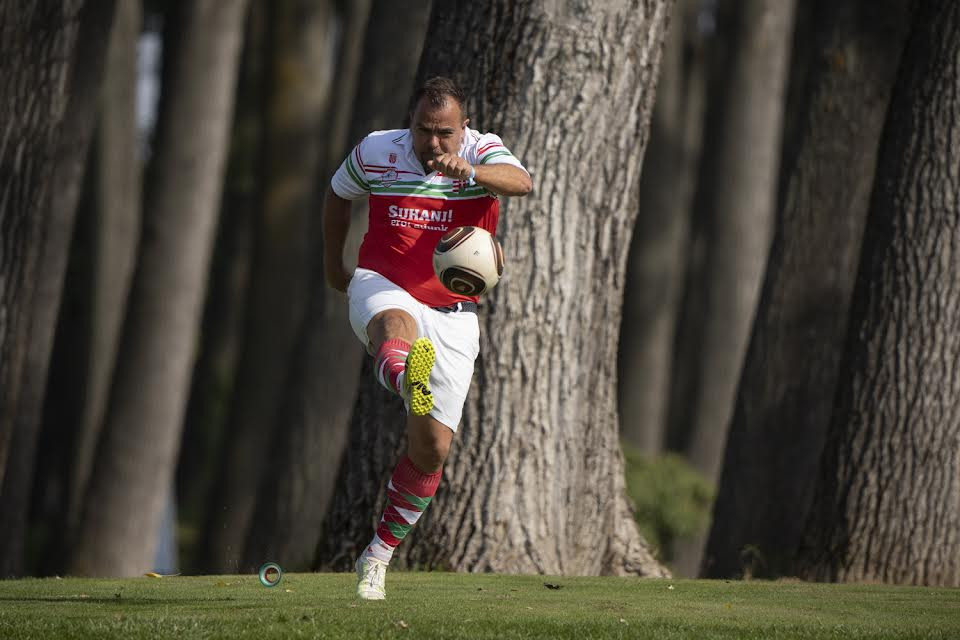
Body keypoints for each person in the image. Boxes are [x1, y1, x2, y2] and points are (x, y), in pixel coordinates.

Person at [323, 76, 532, 600]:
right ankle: (403, 371)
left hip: (454, 310)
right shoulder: (376, 149)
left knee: (432, 449)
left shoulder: (482, 148)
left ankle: (377, 555)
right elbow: (337, 193)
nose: (434, 143)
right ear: (409, 123)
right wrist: (334, 267)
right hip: (383, 282)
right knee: (397, 327)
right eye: (423, 131)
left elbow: (521, 182)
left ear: (463, 128)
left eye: (444, 133)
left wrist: (475, 172)